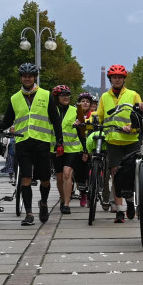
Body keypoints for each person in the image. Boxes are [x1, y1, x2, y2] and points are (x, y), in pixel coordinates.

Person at [0, 63, 64, 226]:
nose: (27, 78)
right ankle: (29, 213)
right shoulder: (14, 98)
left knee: (45, 179)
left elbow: (55, 120)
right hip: (23, 143)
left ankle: (44, 203)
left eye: (30, 76)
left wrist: (59, 141)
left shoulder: (46, 95)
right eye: (24, 76)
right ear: (21, 78)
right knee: (25, 178)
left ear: (34, 78)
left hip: (42, 143)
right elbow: (7, 120)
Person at [97, 64, 142, 223]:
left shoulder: (133, 95)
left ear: (124, 79)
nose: (117, 79)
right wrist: (87, 121)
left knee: (130, 175)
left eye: (120, 77)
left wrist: (132, 127)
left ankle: (130, 202)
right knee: (116, 175)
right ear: (110, 79)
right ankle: (120, 211)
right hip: (113, 141)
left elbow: (140, 116)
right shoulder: (104, 97)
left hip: (131, 141)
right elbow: (99, 116)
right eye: (114, 77)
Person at [51, 85, 83, 214]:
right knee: (59, 177)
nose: (66, 97)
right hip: (56, 148)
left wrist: (80, 124)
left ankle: (67, 204)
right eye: (63, 95)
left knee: (66, 173)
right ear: (56, 97)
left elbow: (83, 128)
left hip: (72, 147)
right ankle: (63, 198)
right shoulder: (51, 111)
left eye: (68, 95)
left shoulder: (75, 110)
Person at [74, 92, 95, 207]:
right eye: (83, 101)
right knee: (80, 170)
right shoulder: (75, 115)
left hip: (91, 145)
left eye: (87, 101)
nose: (85, 103)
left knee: (91, 170)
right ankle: (83, 193)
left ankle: (93, 190)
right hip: (79, 146)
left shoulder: (94, 115)